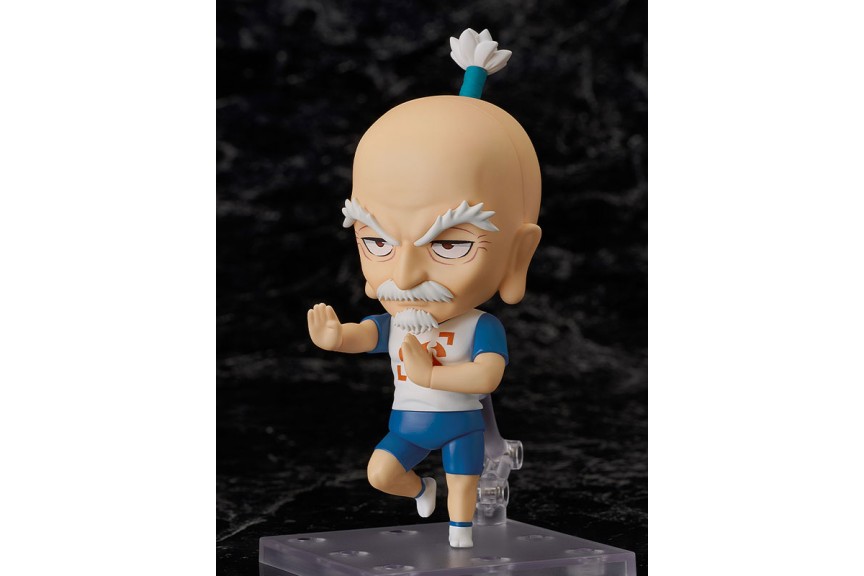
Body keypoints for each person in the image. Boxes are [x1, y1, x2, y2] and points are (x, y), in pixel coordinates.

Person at [307, 30, 542, 549]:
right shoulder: (399, 322)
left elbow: (488, 375)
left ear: (517, 257)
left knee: (464, 494)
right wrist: (336, 338)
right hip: (407, 424)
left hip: (461, 426)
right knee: (381, 474)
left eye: (450, 245)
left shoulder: (479, 326)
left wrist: (431, 374)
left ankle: (461, 536)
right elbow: (367, 336)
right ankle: (420, 488)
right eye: (378, 242)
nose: (407, 275)